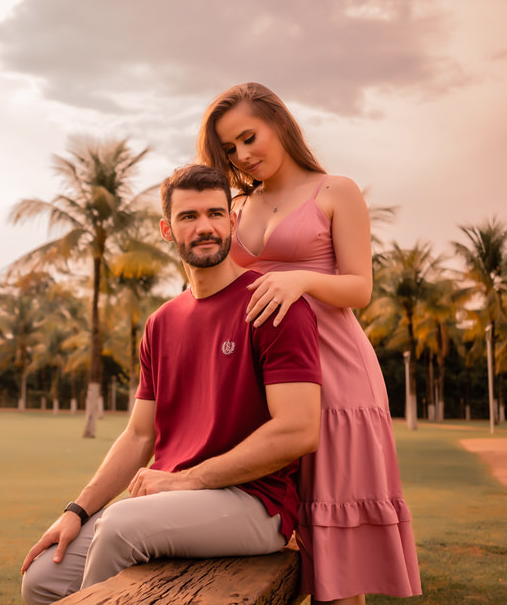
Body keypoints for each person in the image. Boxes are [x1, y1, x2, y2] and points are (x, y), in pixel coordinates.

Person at [20, 164, 323, 605]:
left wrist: (190, 481)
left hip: (255, 503)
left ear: (232, 221)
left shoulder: (272, 303)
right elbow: (140, 434)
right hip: (175, 501)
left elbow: (299, 429)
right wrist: (77, 510)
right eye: (188, 217)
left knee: (121, 525)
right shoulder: (161, 322)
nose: (205, 227)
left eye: (215, 214)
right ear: (167, 229)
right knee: (43, 579)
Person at [197, 82, 422, 605]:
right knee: (265, 539)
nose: (243, 156)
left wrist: (300, 279)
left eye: (250, 137)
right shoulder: (236, 206)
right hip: (267, 384)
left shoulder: (335, 191)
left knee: (337, 566)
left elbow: (359, 288)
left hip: (338, 379)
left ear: (280, 123)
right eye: (230, 149)